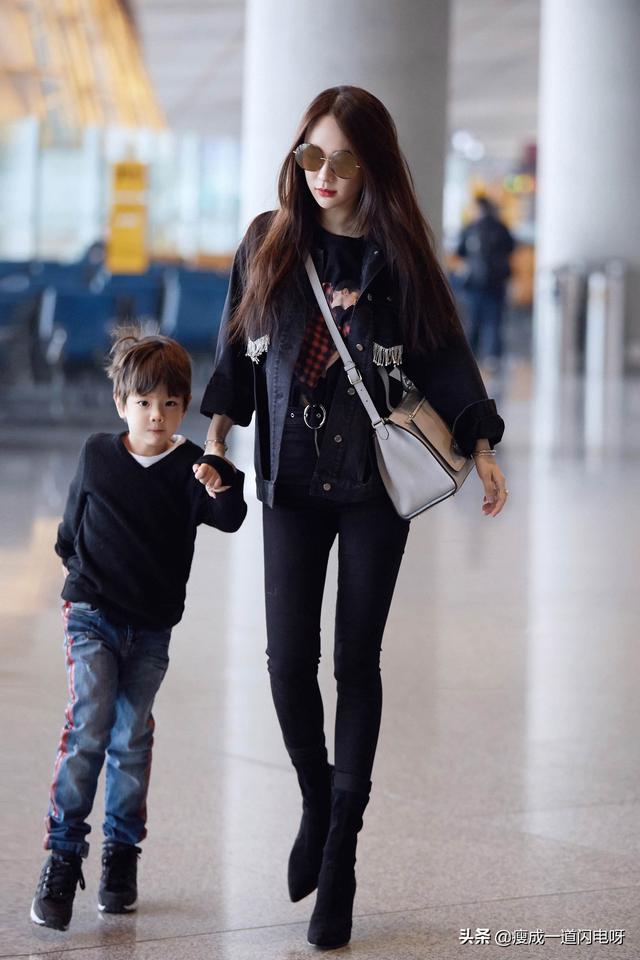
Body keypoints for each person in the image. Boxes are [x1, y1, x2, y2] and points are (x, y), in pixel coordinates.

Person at [195, 86, 508, 950]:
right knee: (287, 663)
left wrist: (482, 443)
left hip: (374, 486)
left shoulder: (399, 257)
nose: (323, 174)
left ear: (371, 163)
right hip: (291, 481)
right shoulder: (268, 241)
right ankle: (316, 796)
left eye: (340, 158)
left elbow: (446, 357)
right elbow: (236, 348)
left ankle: (341, 855)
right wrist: (215, 436)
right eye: (311, 156)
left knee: (355, 662)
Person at [31, 330, 247, 931]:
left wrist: (222, 480)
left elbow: (231, 517)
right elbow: (70, 528)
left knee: (131, 739)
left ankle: (121, 854)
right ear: (120, 403)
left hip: (151, 631)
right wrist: (79, 575)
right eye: (144, 402)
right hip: (92, 615)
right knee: (90, 725)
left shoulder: (191, 469)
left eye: (170, 404)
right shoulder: (98, 454)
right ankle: (63, 854)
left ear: (184, 407)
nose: (156, 415)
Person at [456, 196, 516, 370]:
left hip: (477, 283)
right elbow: (511, 248)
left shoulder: (471, 229)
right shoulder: (500, 228)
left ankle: (472, 357)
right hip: (494, 282)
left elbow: (461, 251)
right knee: (493, 321)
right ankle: (492, 357)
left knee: (475, 320)